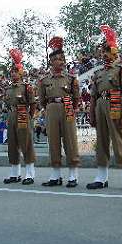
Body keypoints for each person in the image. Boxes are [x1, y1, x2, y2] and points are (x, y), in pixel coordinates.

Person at [86, 25, 122, 191]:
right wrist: (91, 114)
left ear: (114, 52)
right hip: (100, 104)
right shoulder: (98, 73)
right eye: (102, 52)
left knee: (119, 139)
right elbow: (93, 96)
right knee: (101, 141)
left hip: (115, 103)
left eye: (106, 51)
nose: (103, 54)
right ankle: (101, 178)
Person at [38, 37, 81, 188]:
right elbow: (42, 99)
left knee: (70, 140)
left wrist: (71, 108)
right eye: (56, 59)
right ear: (51, 62)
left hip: (67, 107)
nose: (60, 61)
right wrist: (49, 108)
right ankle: (55, 175)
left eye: (62, 59)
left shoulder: (71, 78)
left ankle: (73, 175)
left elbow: (76, 98)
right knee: (54, 142)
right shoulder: (44, 80)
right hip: (51, 108)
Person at [3, 49, 36, 185]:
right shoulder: (8, 89)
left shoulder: (26, 87)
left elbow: (33, 104)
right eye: (11, 72)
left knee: (26, 143)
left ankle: (29, 173)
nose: (13, 74)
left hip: (23, 114)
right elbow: (7, 104)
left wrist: (29, 116)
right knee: (12, 143)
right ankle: (15, 173)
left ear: (21, 73)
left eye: (15, 71)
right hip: (11, 115)